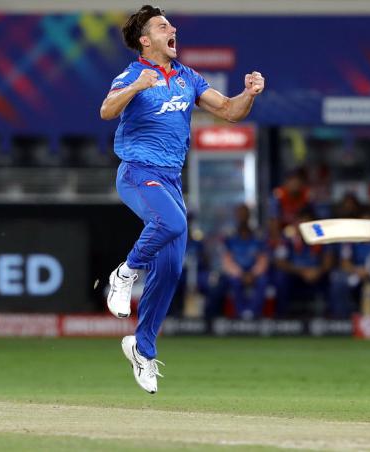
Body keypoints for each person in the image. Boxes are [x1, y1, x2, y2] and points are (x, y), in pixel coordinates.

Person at [100, 5, 264, 394]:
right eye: (162, 26)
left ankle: (142, 348)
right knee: (171, 224)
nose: (172, 29)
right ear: (145, 40)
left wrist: (249, 93)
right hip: (137, 173)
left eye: (170, 25)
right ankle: (123, 274)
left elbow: (229, 111)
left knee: (171, 269)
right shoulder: (132, 74)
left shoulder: (187, 77)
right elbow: (107, 111)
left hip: (170, 180)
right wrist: (136, 87)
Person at [272, 207, 334, 318]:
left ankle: (331, 318)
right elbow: (280, 262)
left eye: (308, 223)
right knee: (280, 277)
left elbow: (328, 261)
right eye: (301, 222)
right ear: (296, 223)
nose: (304, 227)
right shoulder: (287, 239)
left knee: (334, 278)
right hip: (295, 276)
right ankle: (282, 318)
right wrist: (302, 271)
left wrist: (318, 271)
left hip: (317, 276)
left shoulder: (322, 238)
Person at [219, 204, 269, 320]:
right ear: (236, 216)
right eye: (240, 214)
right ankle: (240, 315)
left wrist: (253, 274)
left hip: (254, 273)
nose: (242, 217)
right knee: (233, 281)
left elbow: (263, 259)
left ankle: (254, 314)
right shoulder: (230, 237)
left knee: (263, 281)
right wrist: (241, 274)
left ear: (249, 216)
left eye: (245, 214)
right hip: (237, 273)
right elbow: (226, 260)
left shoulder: (258, 236)